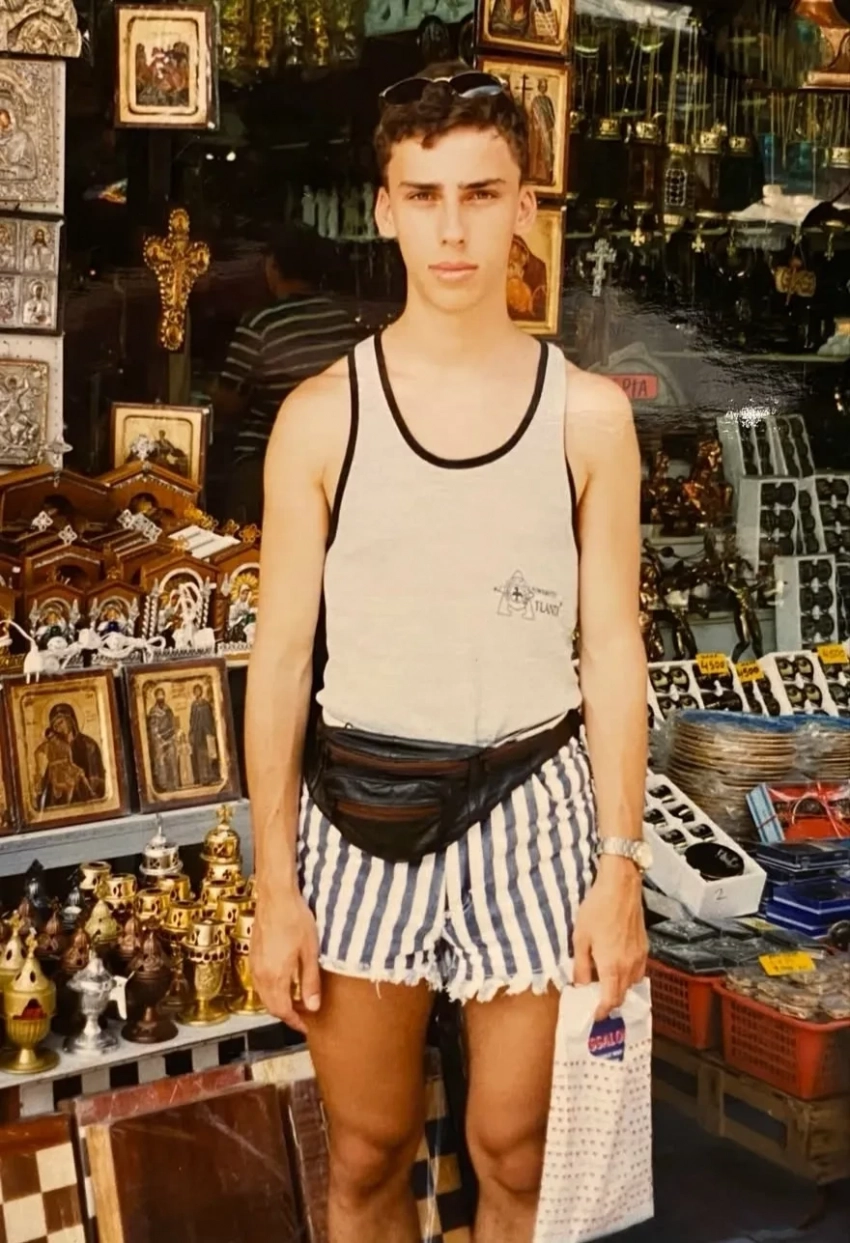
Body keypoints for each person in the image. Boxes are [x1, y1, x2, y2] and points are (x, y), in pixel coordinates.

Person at [246, 64, 649, 1243]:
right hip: (358, 803)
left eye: (480, 194)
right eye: (424, 196)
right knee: (370, 1148)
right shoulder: (322, 414)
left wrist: (619, 865)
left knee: (518, 1148)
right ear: (383, 208)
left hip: (533, 804)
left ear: (526, 204)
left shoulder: (587, 415)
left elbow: (612, 648)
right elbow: (281, 660)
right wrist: (274, 885)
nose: (454, 228)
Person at [211, 222, 362, 525]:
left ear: (273, 267)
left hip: (266, 457)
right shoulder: (343, 319)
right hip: (335, 457)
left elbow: (228, 402)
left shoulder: (262, 324)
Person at [38, 703, 105, 806]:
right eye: (55, 726)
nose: (58, 728)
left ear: (70, 720)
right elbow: (49, 781)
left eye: (60, 722)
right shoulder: (55, 748)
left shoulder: (89, 745)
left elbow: (96, 777)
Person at [147, 686, 179, 792]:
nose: (161, 697)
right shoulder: (153, 711)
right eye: (158, 695)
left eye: (162, 694)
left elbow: (173, 723)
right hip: (159, 740)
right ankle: (163, 785)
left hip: (170, 738)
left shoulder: (168, 709)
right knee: (160, 762)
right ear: (156, 697)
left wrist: (173, 736)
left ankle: (173, 784)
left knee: (171, 761)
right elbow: (152, 727)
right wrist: (159, 738)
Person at [189, 682, 219, 784]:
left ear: (201, 691)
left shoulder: (206, 704)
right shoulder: (194, 705)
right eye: (195, 691)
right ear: (194, 693)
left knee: (209, 754)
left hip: (207, 732)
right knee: (200, 755)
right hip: (198, 734)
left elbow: (210, 718)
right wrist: (192, 732)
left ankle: (211, 776)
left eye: (198, 690)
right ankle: (203, 777)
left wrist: (211, 730)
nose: (197, 692)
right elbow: (192, 720)